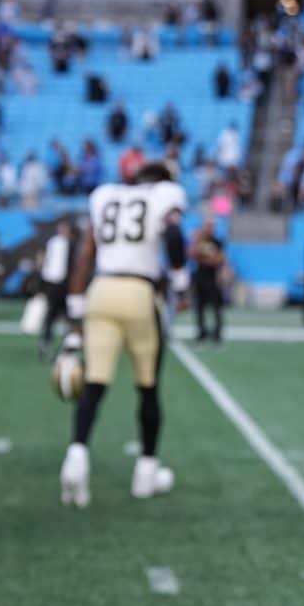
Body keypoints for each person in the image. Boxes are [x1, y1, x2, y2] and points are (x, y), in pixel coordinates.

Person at [59, 162, 187, 508]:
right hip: (139, 292)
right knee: (147, 386)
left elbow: (86, 252)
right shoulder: (166, 196)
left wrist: (74, 309)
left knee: (95, 384)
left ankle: (76, 457)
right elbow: (174, 236)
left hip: (101, 290)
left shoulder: (106, 195)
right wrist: (180, 283)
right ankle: (146, 473)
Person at [38, 220, 75, 360]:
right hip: (54, 282)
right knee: (51, 315)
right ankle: (46, 342)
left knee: (68, 316)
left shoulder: (71, 243)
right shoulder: (54, 242)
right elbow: (48, 262)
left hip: (66, 283)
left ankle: (67, 345)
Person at [190, 212, 226, 343]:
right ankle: (201, 332)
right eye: (207, 226)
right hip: (200, 277)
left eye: (211, 226)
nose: (209, 228)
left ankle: (217, 333)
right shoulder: (200, 240)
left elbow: (219, 259)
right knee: (199, 308)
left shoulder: (217, 241)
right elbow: (192, 254)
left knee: (216, 307)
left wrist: (205, 258)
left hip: (213, 278)